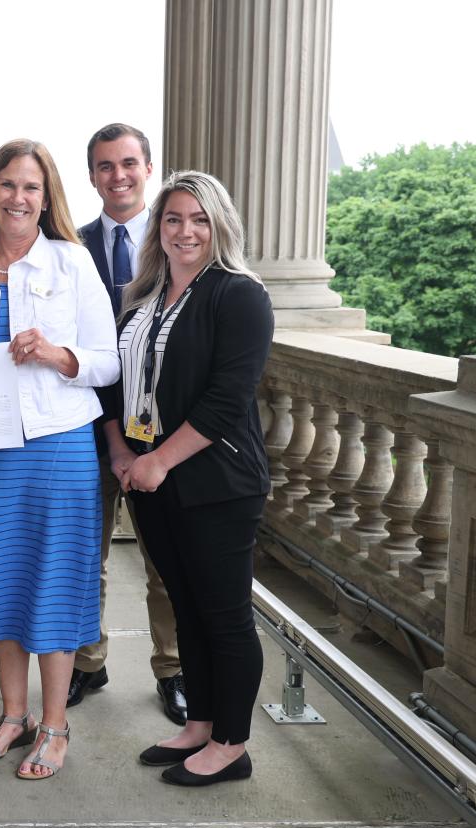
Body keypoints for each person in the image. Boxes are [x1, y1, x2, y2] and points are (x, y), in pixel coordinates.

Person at [0, 139, 119, 781]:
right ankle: (15, 715)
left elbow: (107, 360)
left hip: (60, 445)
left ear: (47, 197)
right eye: (7, 184)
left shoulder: (71, 261)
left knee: (54, 581)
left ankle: (56, 724)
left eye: (31, 187)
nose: (17, 197)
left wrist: (58, 355)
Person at [99, 170, 273, 786]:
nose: (185, 231)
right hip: (148, 476)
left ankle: (232, 742)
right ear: (158, 227)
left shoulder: (239, 294)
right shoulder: (142, 296)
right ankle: (201, 721)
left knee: (223, 614)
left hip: (216, 480)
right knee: (186, 606)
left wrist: (158, 461)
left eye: (199, 220)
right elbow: (114, 385)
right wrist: (123, 453)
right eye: (173, 219)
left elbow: (227, 399)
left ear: (219, 225)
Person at [73, 123, 186, 725]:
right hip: (88, 426)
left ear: (148, 168)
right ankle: (88, 663)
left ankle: (172, 669)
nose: (118, 176)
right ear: (91, 175)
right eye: (105, 166)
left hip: (157, 430)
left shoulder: (178, 239)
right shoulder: (70, 242)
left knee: (163, 560)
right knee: (83, 557)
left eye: (128, 164)